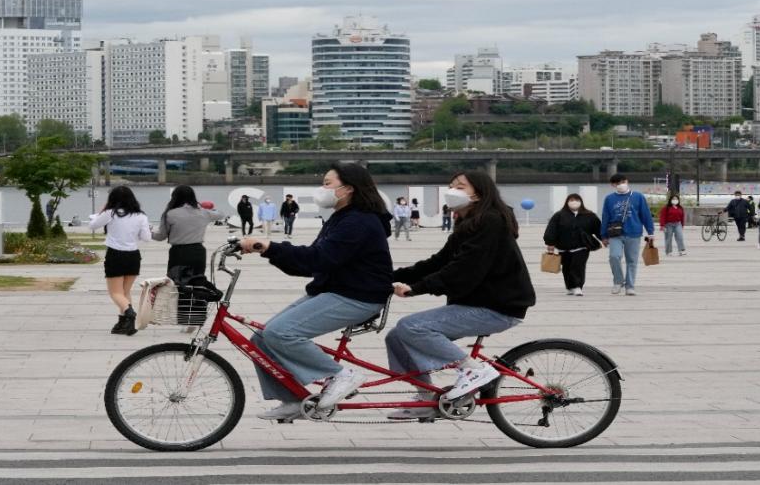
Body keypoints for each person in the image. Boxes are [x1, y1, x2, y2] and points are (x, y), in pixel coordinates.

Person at [239, 163, 394, 420]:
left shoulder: (358, 222)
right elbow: (309, 262)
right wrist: (266, 249)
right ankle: (292, 398)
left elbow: (317, 259)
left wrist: (269, 246)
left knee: (281, 332)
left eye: (327, 183)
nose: (322, 189)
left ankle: (341, 375)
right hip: (334, 290)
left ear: (348, 190)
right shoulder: (341, 218)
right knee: (262, 338)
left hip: (358, 296)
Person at [387, 170, 536, 419]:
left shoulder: (491, 220)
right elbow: (439, 262)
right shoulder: (468, 223)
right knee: (397, 337)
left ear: (478, 193)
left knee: (411, 327)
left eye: (460, 186)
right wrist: (391, 276)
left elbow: (463, 269)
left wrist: (417, 289)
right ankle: (426, 397)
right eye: (451, 185)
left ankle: (474, 371)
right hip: (475, 303)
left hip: (497, 306)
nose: (452, 191)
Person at [88, 186, 151, 335]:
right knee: (124, 292)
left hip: (115, 255)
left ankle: (130, 313)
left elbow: (92, 225)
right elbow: (147, 238)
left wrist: (103, 209)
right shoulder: (141, 216)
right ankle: (124, 324)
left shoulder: (110, 213)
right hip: (133, 256)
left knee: (115, 293)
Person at [599, 174, 655, 296]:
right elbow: (605, 217)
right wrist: (603, 235)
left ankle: (630, 286)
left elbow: (645, 214)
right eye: (617, 183)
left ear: (627, 181)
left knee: (632, 261)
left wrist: (650, 232)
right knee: (614, 256)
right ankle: (618, 281)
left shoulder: (638, 196)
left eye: (622, 181)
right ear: (613, 185)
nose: (621, 184)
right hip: (615, 233)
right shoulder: (609, 199)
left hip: (634, 232)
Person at [152, 185, 223, 274]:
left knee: (176, 283)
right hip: (198, 252)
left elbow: (160, 236)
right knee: (197, 282)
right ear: (193, 197)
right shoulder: (203, 212)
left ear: (174, 198)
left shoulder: (170, 214)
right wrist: (203, 206)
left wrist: (148, 231)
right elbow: (220, 214)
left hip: (178, 252)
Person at [543, 193, 602, 296]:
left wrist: (604, 238)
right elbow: (551, 230)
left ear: (581, 202)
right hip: (563, 247)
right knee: (567, 268)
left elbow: (598, 229)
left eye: (576, 199)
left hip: (582, 246)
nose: (574, 202)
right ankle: (570, 287)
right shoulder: (559, 215)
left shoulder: (589, 215)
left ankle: (578, 286)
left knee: (578, 266)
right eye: (571, 200)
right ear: (567, 202)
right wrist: (550, 243)